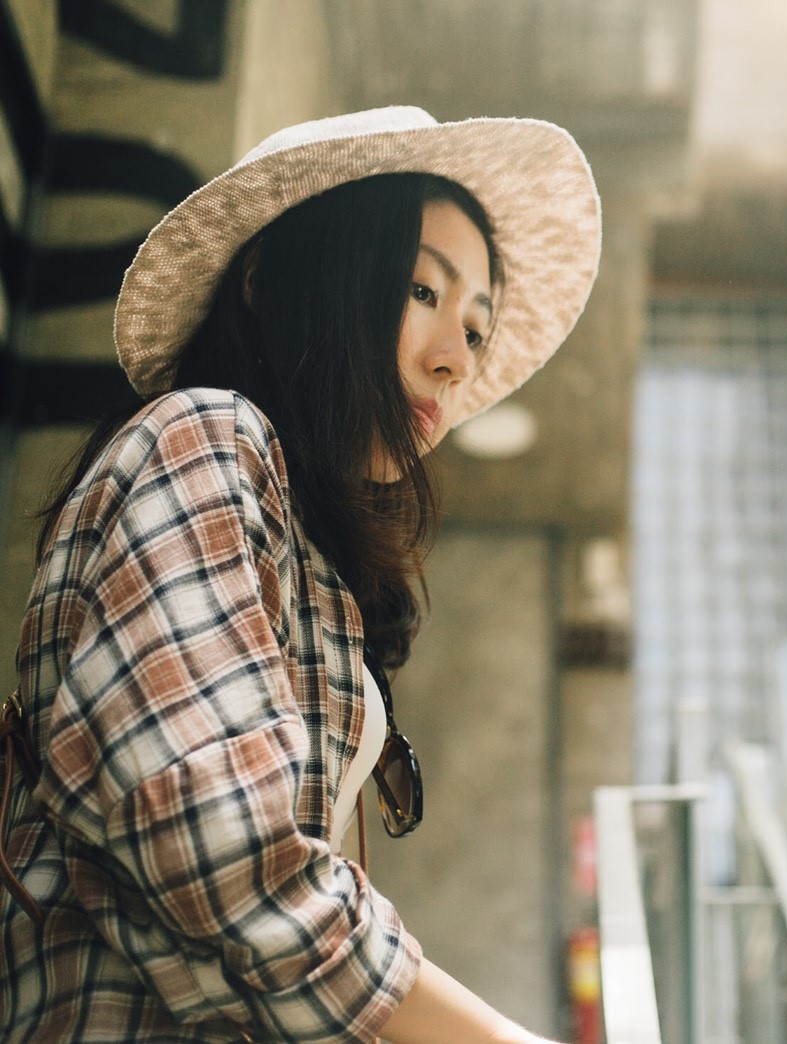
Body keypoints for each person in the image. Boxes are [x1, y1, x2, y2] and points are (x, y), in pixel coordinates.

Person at [0, 107, 601, 1042]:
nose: (453, 360)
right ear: (272, 277)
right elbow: (219, 851)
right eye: (420, 290)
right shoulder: (202, 438)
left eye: (477, 333)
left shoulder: (318, 570)